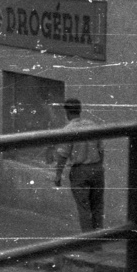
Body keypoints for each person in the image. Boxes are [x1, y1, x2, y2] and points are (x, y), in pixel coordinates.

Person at [52, 98, 104, 231]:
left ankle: (88, 243)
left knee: (84, 207)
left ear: (67, 112)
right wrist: (99, 166)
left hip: (80, 171)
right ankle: (98, 241)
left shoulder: (68, 130)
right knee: (97, 207)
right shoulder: (92, 125)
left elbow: (63, 155)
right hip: (96, 168)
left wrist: (58, 175)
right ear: (80, 110)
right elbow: (101, 150)